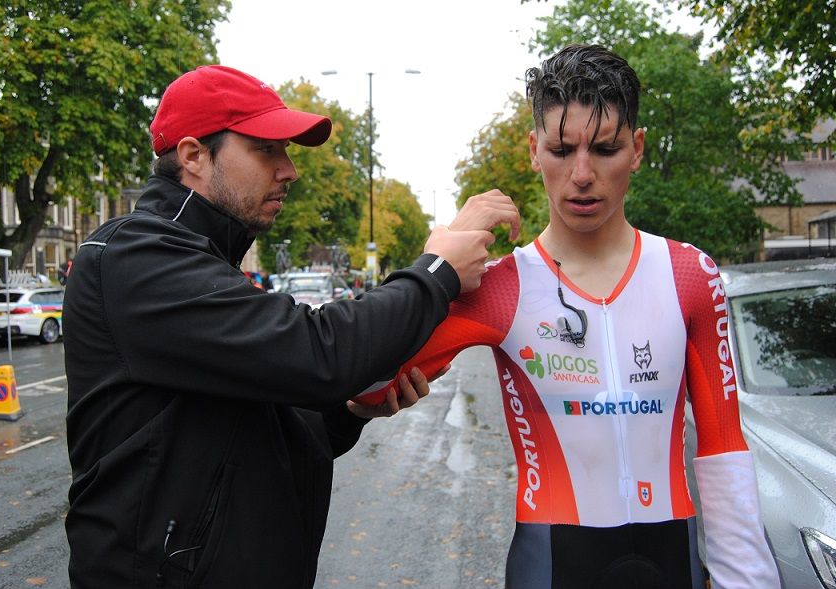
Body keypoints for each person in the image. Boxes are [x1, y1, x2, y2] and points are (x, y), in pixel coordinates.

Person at [62, 64, 519, 589]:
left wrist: (350, 411)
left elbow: (265, 435)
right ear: (193, 156)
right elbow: (320, 354)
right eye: (266, 149)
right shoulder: (135, 256)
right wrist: (437, 271)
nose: (290, 170)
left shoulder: (205, 263)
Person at [354, 45, 779, 589]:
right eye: (560, 149)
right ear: (535, 150)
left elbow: (723, 447)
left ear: (637, 149)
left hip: (672, 559)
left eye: (605, 149)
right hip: (552, 563)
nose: (582, 174)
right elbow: (365, 384)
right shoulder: (500, 287)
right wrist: (440, 258)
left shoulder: (691, 275)